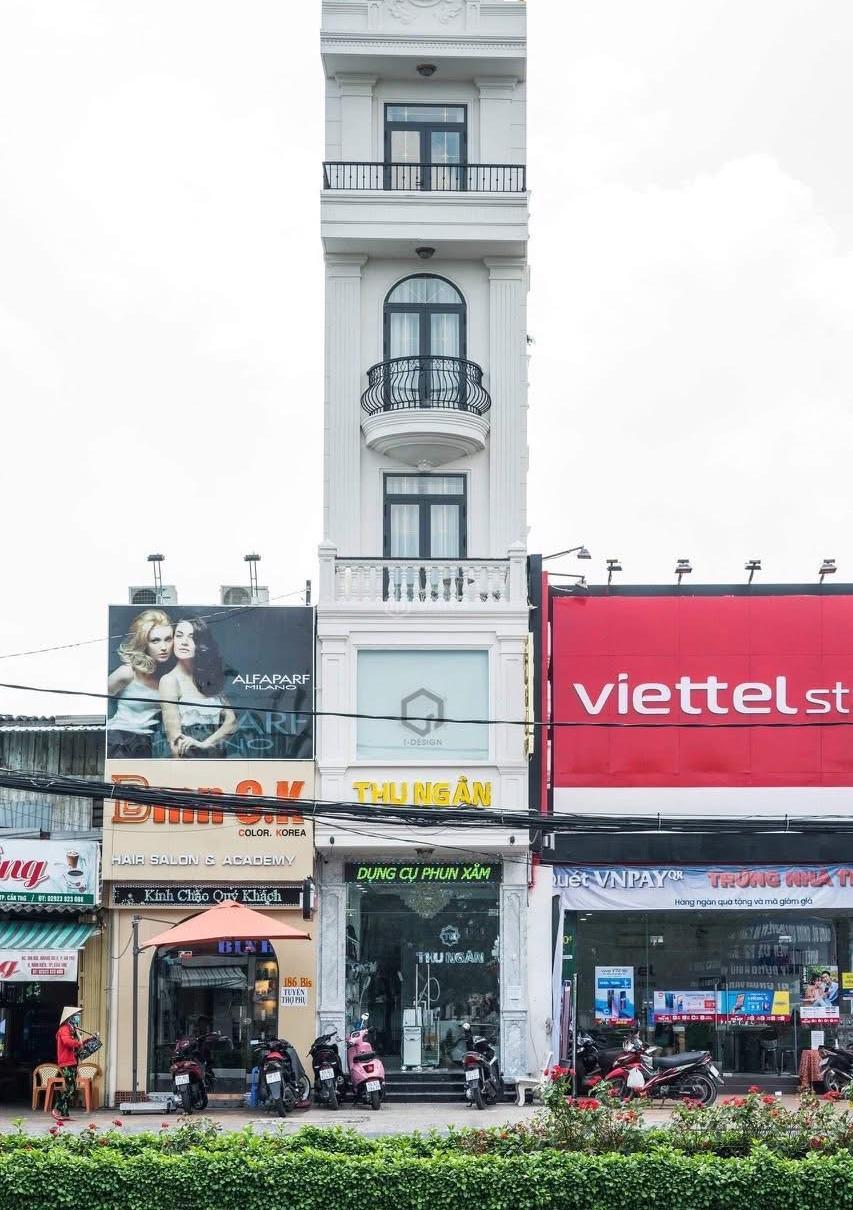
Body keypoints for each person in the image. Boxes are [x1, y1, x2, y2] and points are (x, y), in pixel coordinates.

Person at [159, 617, 237, 758]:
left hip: (216, 758)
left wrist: (205, 744)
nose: (184, 642)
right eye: (179, 635)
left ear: (201, 643)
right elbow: (174, 741)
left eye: (192, 637)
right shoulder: (169, 681)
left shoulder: (209, 677)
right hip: (190, 760)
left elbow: (231, 723)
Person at [106, 610, 175, 757]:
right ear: (144, 643)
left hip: (149, 743)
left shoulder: (170, 677)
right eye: (155, 640)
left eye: (168, 639)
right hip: (120, 739)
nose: (164, 647)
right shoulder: (127, 672)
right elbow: (100, 703)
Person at [53, 1005, 83, 1122]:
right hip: (66, 1062)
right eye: (76, 1016)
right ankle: (57, 1108)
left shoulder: (71, 1029)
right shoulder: (64, 1029)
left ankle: (65, 1114)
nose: (78, 1018)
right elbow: (67, 1042)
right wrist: (79, 1041)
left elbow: (79, 1044)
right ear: (70, 1017)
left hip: (71, 1061)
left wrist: (90, 1039)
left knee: (70, 1087)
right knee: (71, 1089)